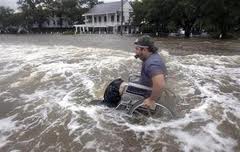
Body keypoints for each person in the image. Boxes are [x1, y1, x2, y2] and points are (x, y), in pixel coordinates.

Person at [134, 35, 167, 109]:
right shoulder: (153, 57)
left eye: (137, 49)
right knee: (118, 83)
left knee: (114, 87)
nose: (135, 52)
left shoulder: (153, 63)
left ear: (145, 50)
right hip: (145, 88)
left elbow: (160, 84)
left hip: (145, 93)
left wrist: (151, 100)